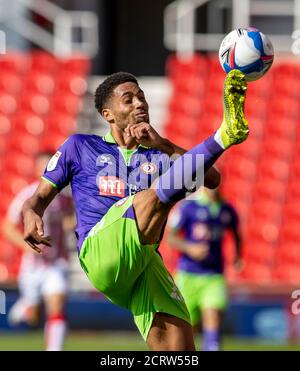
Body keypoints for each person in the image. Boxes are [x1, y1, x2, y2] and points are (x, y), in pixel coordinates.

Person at [21, 69, 249, 351]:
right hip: (100, 251)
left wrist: (163, 145)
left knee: (179, 351)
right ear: (108, 114)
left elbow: (213, 179)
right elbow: (38, 197)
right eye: (128, 100)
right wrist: (30, 212)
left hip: (143, 262)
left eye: (141, 97)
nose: (139, 103)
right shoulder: (79, 146)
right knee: (149, 197)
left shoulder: (158, 154)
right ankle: (225, 134)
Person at [2, 152, 74, 351]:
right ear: (36, 169)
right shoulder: (27, 196)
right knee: (33, 316)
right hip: (33, 266)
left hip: (57, 261)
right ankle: (26, 306)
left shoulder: (65, 198)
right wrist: (26, 246)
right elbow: (7, 226)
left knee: (56, 305)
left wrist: (72, 223)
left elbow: (71, 219)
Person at [168, 187, 242, 351]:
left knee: (213, 320)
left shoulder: (226, 209)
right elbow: (171, 236)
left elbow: (237, 234)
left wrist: (237, 256)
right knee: (187, 330)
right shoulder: (188, 206)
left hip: (214, 276)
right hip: (188, 276)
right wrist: (189, 248)